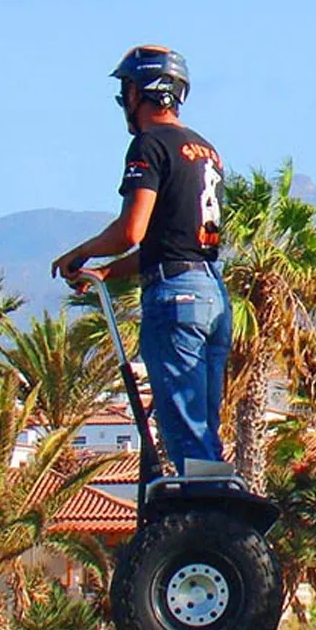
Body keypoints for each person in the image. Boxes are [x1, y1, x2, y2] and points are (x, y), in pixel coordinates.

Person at [52, 45, 231, 475]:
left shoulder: (148, 145)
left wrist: (80, 253)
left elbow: (131, 231)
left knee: (183, 432)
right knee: (203, 428)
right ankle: (217, 498)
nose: (123, 100)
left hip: (176, 300)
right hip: (211, 293)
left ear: (140, 92)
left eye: (127, 89)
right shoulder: (205, 150)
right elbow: (169, 242)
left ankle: (203, 510)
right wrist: (107, 272)